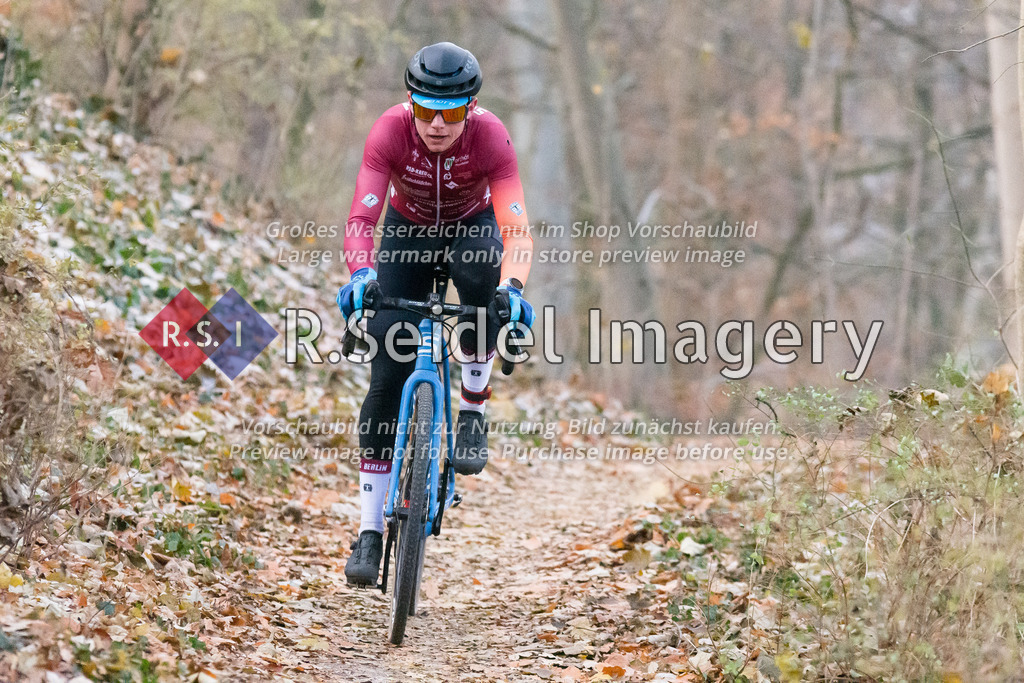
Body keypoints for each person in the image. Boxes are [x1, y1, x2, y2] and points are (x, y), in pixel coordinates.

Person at [336, 42, 535, 586]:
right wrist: (360, 277)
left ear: (471, 109)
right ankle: (371, 530)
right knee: (385, 379)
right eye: (426, 111)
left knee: (482, 280)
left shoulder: (491, 136)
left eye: (450, 114)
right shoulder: (389, 132)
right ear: (410, 103)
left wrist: (513, 288)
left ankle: (471, 406)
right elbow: (361, 220)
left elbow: (515, 228)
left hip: (472, 226)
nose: (438, 125)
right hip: (407, 231)